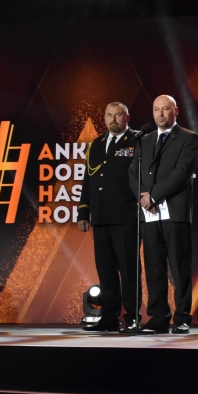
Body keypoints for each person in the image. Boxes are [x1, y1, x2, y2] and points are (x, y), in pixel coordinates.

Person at [128, 95, 198, 334]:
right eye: (156, 109)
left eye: (165, 109)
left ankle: (182, 317)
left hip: (174, 211)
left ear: (175, 111)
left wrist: (154, 196)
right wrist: (143, 196)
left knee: (179, 266)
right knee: (154, 266)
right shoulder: (144, 140)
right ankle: (158, 317)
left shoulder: (188, 137)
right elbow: (133, 173)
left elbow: (182, 172)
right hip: (149, 214)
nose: (160, 114)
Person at [78, 102, 142, 332]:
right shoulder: (96, 144)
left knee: (129, 269)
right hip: (101, 214)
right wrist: (83, 211)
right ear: (104, 118)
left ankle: (132, 317)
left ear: (127, 117)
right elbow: (89, 179)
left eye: (118, 115)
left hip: (126, 214)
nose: (113, 119)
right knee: (105, 270)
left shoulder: (137, 141)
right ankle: (109, 317)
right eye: (109, 115)